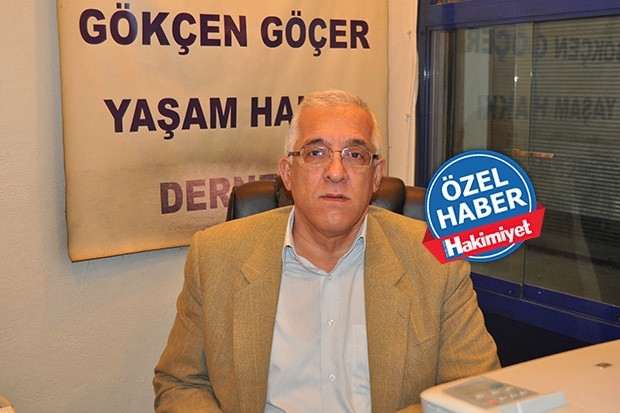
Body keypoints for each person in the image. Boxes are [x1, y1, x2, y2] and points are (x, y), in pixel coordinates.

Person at [153, 89, 500, 413]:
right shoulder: (215, 255)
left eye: (355, 155)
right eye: (315, 153)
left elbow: (474, 391)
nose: (336, 172)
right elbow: (181, 384)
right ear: (288, 173)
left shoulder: (435, 259)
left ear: (376, 176)